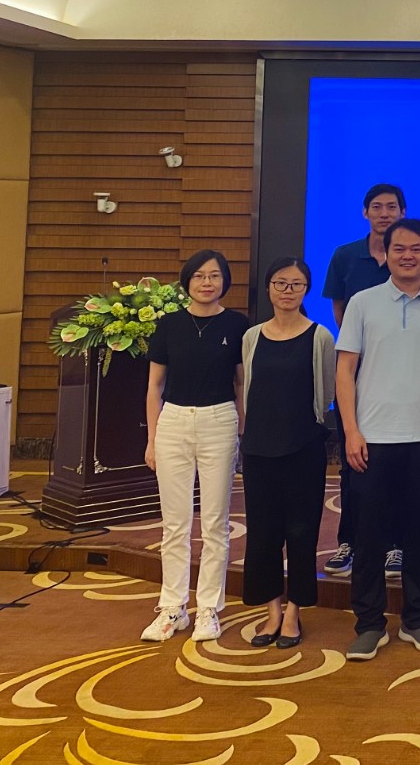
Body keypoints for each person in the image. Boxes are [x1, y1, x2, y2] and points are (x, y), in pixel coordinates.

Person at [335, 219, 420, 661]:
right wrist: (351, 430)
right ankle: (369, 623)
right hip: (372, 437)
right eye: (400, 249)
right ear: (385, 254)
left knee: (418, 533)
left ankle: (417, 620)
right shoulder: (363, 302)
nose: (408, 256)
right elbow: (345, 370)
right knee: (369, 535)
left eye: (417, 248)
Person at [141, 250, 250, 642]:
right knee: (175, 523)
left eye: (215, 276)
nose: (207, 282)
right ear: (187, 280)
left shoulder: (237, 324)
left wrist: (242, 431)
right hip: (173, 422)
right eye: (200, 275)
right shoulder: (169, 324)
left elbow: (241, 382)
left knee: (216, 522)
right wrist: (152, 439)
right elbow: (154, 386)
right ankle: (172, 607)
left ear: (225, 281)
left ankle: (208, 609)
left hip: (219, 421)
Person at [239, 257, 336, 649]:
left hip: (303, 448)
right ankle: (272, 610)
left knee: (301, 532)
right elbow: (247, 389)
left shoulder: (320, 336)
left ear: (306, 290)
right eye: (280, 283)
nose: (287, 291)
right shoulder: (252, 336)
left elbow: (325, 395)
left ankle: (294, 611)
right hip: (259, 449)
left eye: (296, 284)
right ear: (268, 287)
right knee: (262, 534)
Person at [322, 183, 412, 579]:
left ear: (403, 211)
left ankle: (395, 544)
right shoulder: (345, 256)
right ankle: (350, 541)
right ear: (365, 212)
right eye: (377, 207)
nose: (384, 213)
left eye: (392, 207)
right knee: (353, 461)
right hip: (356, 369)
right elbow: (340, 311)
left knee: (396, 464)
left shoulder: (409, 256)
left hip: (401, 373)